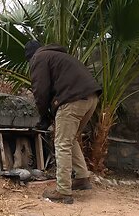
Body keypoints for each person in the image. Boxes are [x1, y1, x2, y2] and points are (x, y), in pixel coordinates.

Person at [25, 40, 102, 204]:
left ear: (30, 56)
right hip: (91, 98)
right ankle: (81, 178)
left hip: (73, 100)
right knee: (69, 139)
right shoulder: (58, 55)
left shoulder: (39, 58)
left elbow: (40, 90)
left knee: (62, 143)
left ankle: (63, 191)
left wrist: (43, 116)